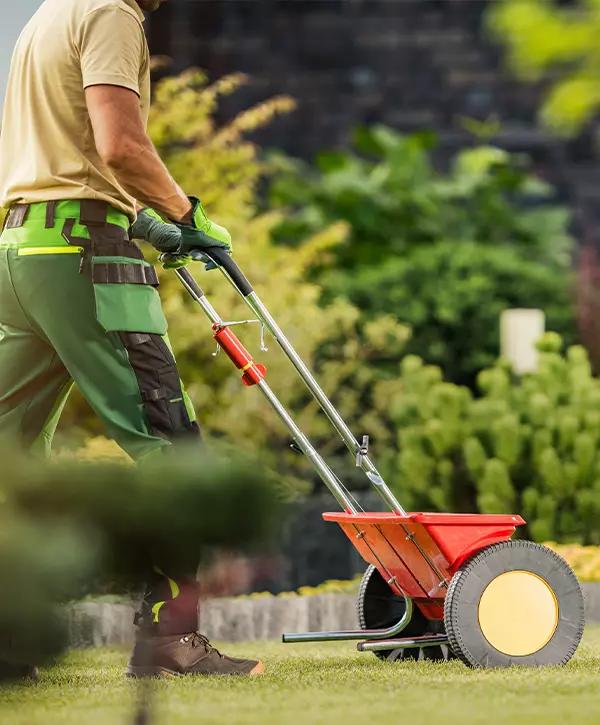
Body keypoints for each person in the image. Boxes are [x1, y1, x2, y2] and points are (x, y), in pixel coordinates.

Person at [0, 0, 263, 678]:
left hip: (20, 251)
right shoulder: (112, 13)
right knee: (171, 446)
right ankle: (169, 641)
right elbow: (119, 144)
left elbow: (69, 152)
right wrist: (186, 212)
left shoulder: (46, 16)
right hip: (84, 257)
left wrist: (142, 220)